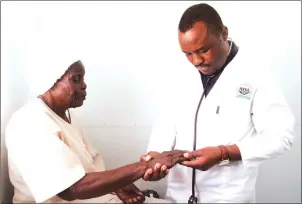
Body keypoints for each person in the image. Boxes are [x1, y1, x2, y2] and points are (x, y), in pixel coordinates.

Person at [141, 3, 296, 203]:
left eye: (203, 50)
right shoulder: (179, 75)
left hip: (227, 197)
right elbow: (166, 124)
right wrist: (155, 155)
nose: (196, 61)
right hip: (178, 196)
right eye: (188, 54)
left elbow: (281, 137)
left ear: (223, 33)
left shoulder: (256, 75)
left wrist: (223, 153)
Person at [5, 58, 187, 203]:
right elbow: (71, 189)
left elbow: (89, 169)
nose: (84, 85)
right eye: (76, 79)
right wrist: (144, 166)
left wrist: (116, 186)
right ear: (50, 81)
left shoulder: (67, 117)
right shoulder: (30, 121)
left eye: (82, 78)